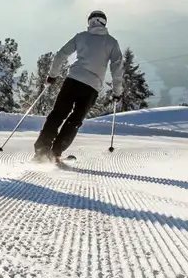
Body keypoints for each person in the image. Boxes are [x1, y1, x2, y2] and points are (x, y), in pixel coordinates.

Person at [34, 9, 123, 164]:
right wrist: (117, 91)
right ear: (104, 23)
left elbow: (61, 55)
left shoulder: (81, 37)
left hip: (72, 81)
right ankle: (55, 153)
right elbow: (117, 69)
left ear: (90, 21)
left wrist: (53, 75)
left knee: (58, 114)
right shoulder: (112, 42)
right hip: (91, 87)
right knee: (74, 120)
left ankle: (41, 151)